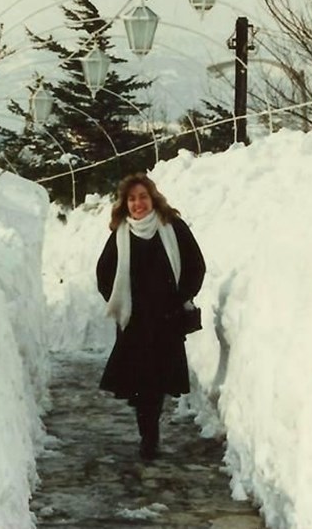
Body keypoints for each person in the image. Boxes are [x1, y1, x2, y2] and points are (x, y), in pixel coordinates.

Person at [96, 173, 205, 461]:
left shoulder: (172, 227)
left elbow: (196, 265)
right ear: (125, 204)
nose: (138, 203)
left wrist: (182, 298)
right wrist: (120, 302)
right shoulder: (121, 233)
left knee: (155, 384)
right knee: (141, 385)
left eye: (143, 197)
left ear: (153, 198)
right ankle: (148, 435)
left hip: (167, 321)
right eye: (132, 199)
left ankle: (149, 435)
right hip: (135, 323)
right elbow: (104, 273)